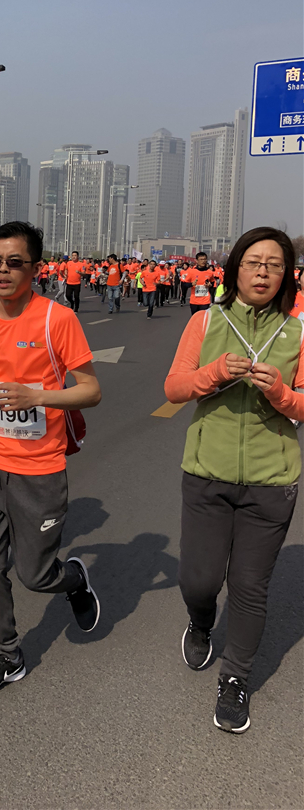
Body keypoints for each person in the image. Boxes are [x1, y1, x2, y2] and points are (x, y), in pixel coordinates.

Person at [0, 221, 102, 699]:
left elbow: (91, 390)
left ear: (35, 268)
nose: (3, 271)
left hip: (41, 468)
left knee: (35, 575)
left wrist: (39, 396)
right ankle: (6, 653)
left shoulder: (57, 319)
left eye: (15, 263)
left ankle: (73, 579)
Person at [165, 226, 302, 735]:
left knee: (249, 586)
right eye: (253, 262)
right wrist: (216, 373)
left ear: (287, 275)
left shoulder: (298, 331)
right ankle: (201, 622)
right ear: (235, 269)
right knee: (198, 580)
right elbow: (174, 387)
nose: (263, 272)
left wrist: (282, 393)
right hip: (206, 472)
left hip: (273, 478)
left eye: (274, 265)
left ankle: (236, 678)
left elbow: (303, 404)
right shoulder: (204, 321)